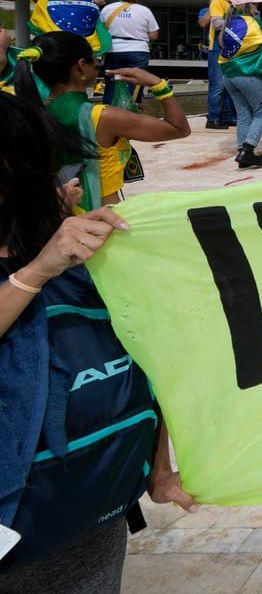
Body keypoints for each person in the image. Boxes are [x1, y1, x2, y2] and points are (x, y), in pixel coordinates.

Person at [0, 92, 196, 590]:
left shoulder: (81, 256)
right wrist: (36, 273)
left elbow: (145, 363)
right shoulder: (50, 260)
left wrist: (158, 469)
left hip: (95, 506)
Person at [13, 33, 190, 209]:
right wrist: (157, 84)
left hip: (57, 218)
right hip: (100, 220)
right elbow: (179, 128)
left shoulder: (32, 114)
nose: (98, 66)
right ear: (81, 66)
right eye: (96, 59)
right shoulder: (102, 117)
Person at [217, 0, 262, 169]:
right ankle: (248, 149)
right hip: (246, 75)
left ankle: (242, 151)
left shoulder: (228, 23)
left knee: (243, 114)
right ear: (247, 6)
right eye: (254, 3)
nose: (257, 6)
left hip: (228, 75)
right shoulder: (251, 24)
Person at [100, 0, 158, 107]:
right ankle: (133, 111)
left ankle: (108, 113)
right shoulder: (144, 10)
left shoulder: (107, 9)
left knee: (113, 82)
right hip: (138, 50)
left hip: (113, 50)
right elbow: (154, 35)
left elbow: (100, 31)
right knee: (136, 82)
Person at [198, 0, 236, 130]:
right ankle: (213, 117)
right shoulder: (212, 6)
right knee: (217, 84)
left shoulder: (229, 3)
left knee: (228, 84)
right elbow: (203, 23)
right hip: (216, 47)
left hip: (229, 47)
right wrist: (212, 7)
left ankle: (227, 116)